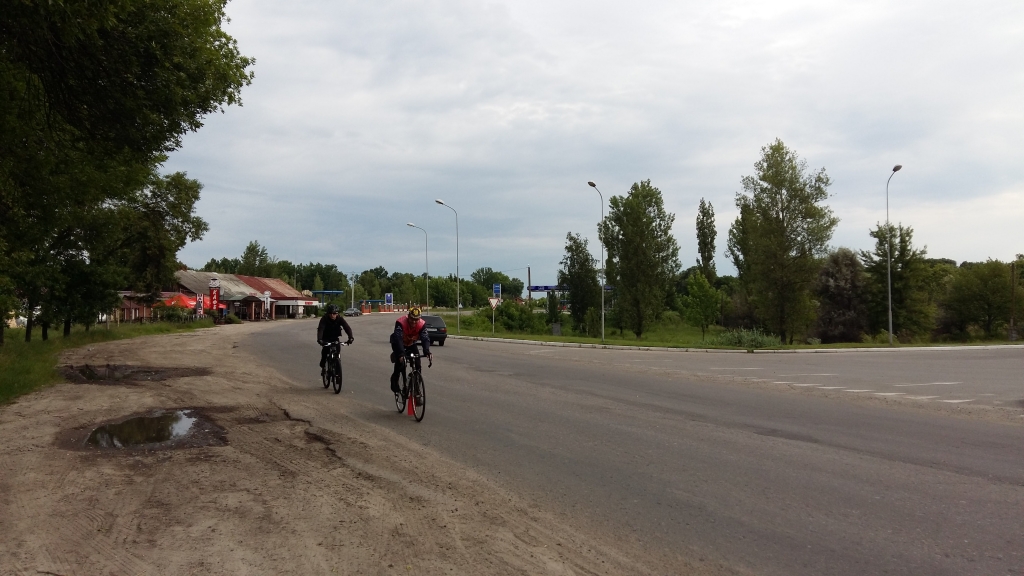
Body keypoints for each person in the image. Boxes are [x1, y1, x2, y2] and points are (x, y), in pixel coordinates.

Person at [390, 306, 431, 394]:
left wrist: (427, 351)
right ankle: (395, 380)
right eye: (412, 319)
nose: (414, 321)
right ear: (408, 316)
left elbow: (425, 338)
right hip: (398, 343)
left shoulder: (422, 324)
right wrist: (401, 353)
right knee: (401, 362)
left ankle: (417, 387)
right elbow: (398, 338)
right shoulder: (400, 322)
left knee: (417, 363)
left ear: (419, 318)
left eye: (416, 319)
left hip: (411, 344)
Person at [317, 304, 354, 375]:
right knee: (325, 352)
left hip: (335, 337)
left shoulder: (340, 319)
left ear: (337, 313)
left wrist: (350, 337)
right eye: (330, 313)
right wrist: (320, 339)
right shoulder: (324, 319)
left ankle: (337, 370)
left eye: (334, 313)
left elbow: (347, 328)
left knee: (337, 352)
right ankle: (323, 367)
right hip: (326, 338)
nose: (332, 315)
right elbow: (321, 329)